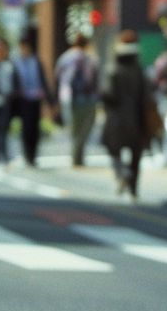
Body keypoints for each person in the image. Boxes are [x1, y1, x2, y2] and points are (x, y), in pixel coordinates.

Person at [101, 30, 153, 200]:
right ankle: (133, 188)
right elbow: (147, 96)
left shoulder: (113, 69)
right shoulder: (139, 70)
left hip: (116, 119)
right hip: (137, 119)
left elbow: (108, 94)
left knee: (113, 149)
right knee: (136, 155)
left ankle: (122, 173)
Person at [54, 33, 100, 167]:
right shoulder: (90, 58)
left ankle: (76, 156)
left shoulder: (65, 58)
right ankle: (78, 156)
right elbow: (96, 79)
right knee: (85, 128)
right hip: (88, 98)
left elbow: (57, 77)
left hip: (70, 98)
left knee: (74, 128)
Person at [12, 35, 53, 168]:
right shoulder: (16, 63)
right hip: (23, 100)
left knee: (35, 128)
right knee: (26, 128)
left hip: (35, 99)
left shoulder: (36, 61)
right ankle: (26, 154)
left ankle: (33, 156)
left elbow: (43, 81)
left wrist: (49, 100)